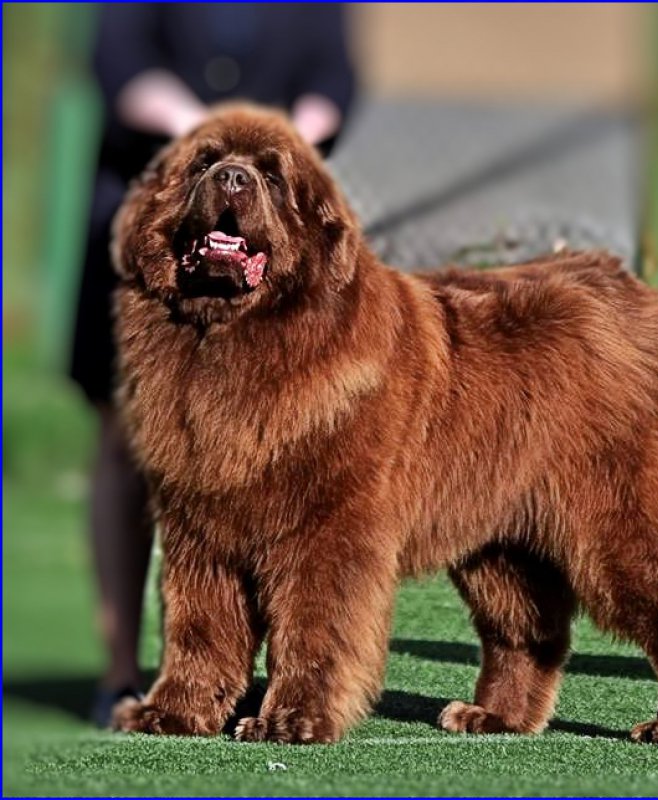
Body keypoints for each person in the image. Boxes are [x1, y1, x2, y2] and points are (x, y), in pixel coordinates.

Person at [69, 3, 356, 726]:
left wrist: (287, 150)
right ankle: (120, 665)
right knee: (124, 445)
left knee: (272, 467)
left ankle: (264, 672)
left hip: (273, 222)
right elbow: (119, 66)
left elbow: (334, 76)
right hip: (153, 208)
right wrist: (206, 149)